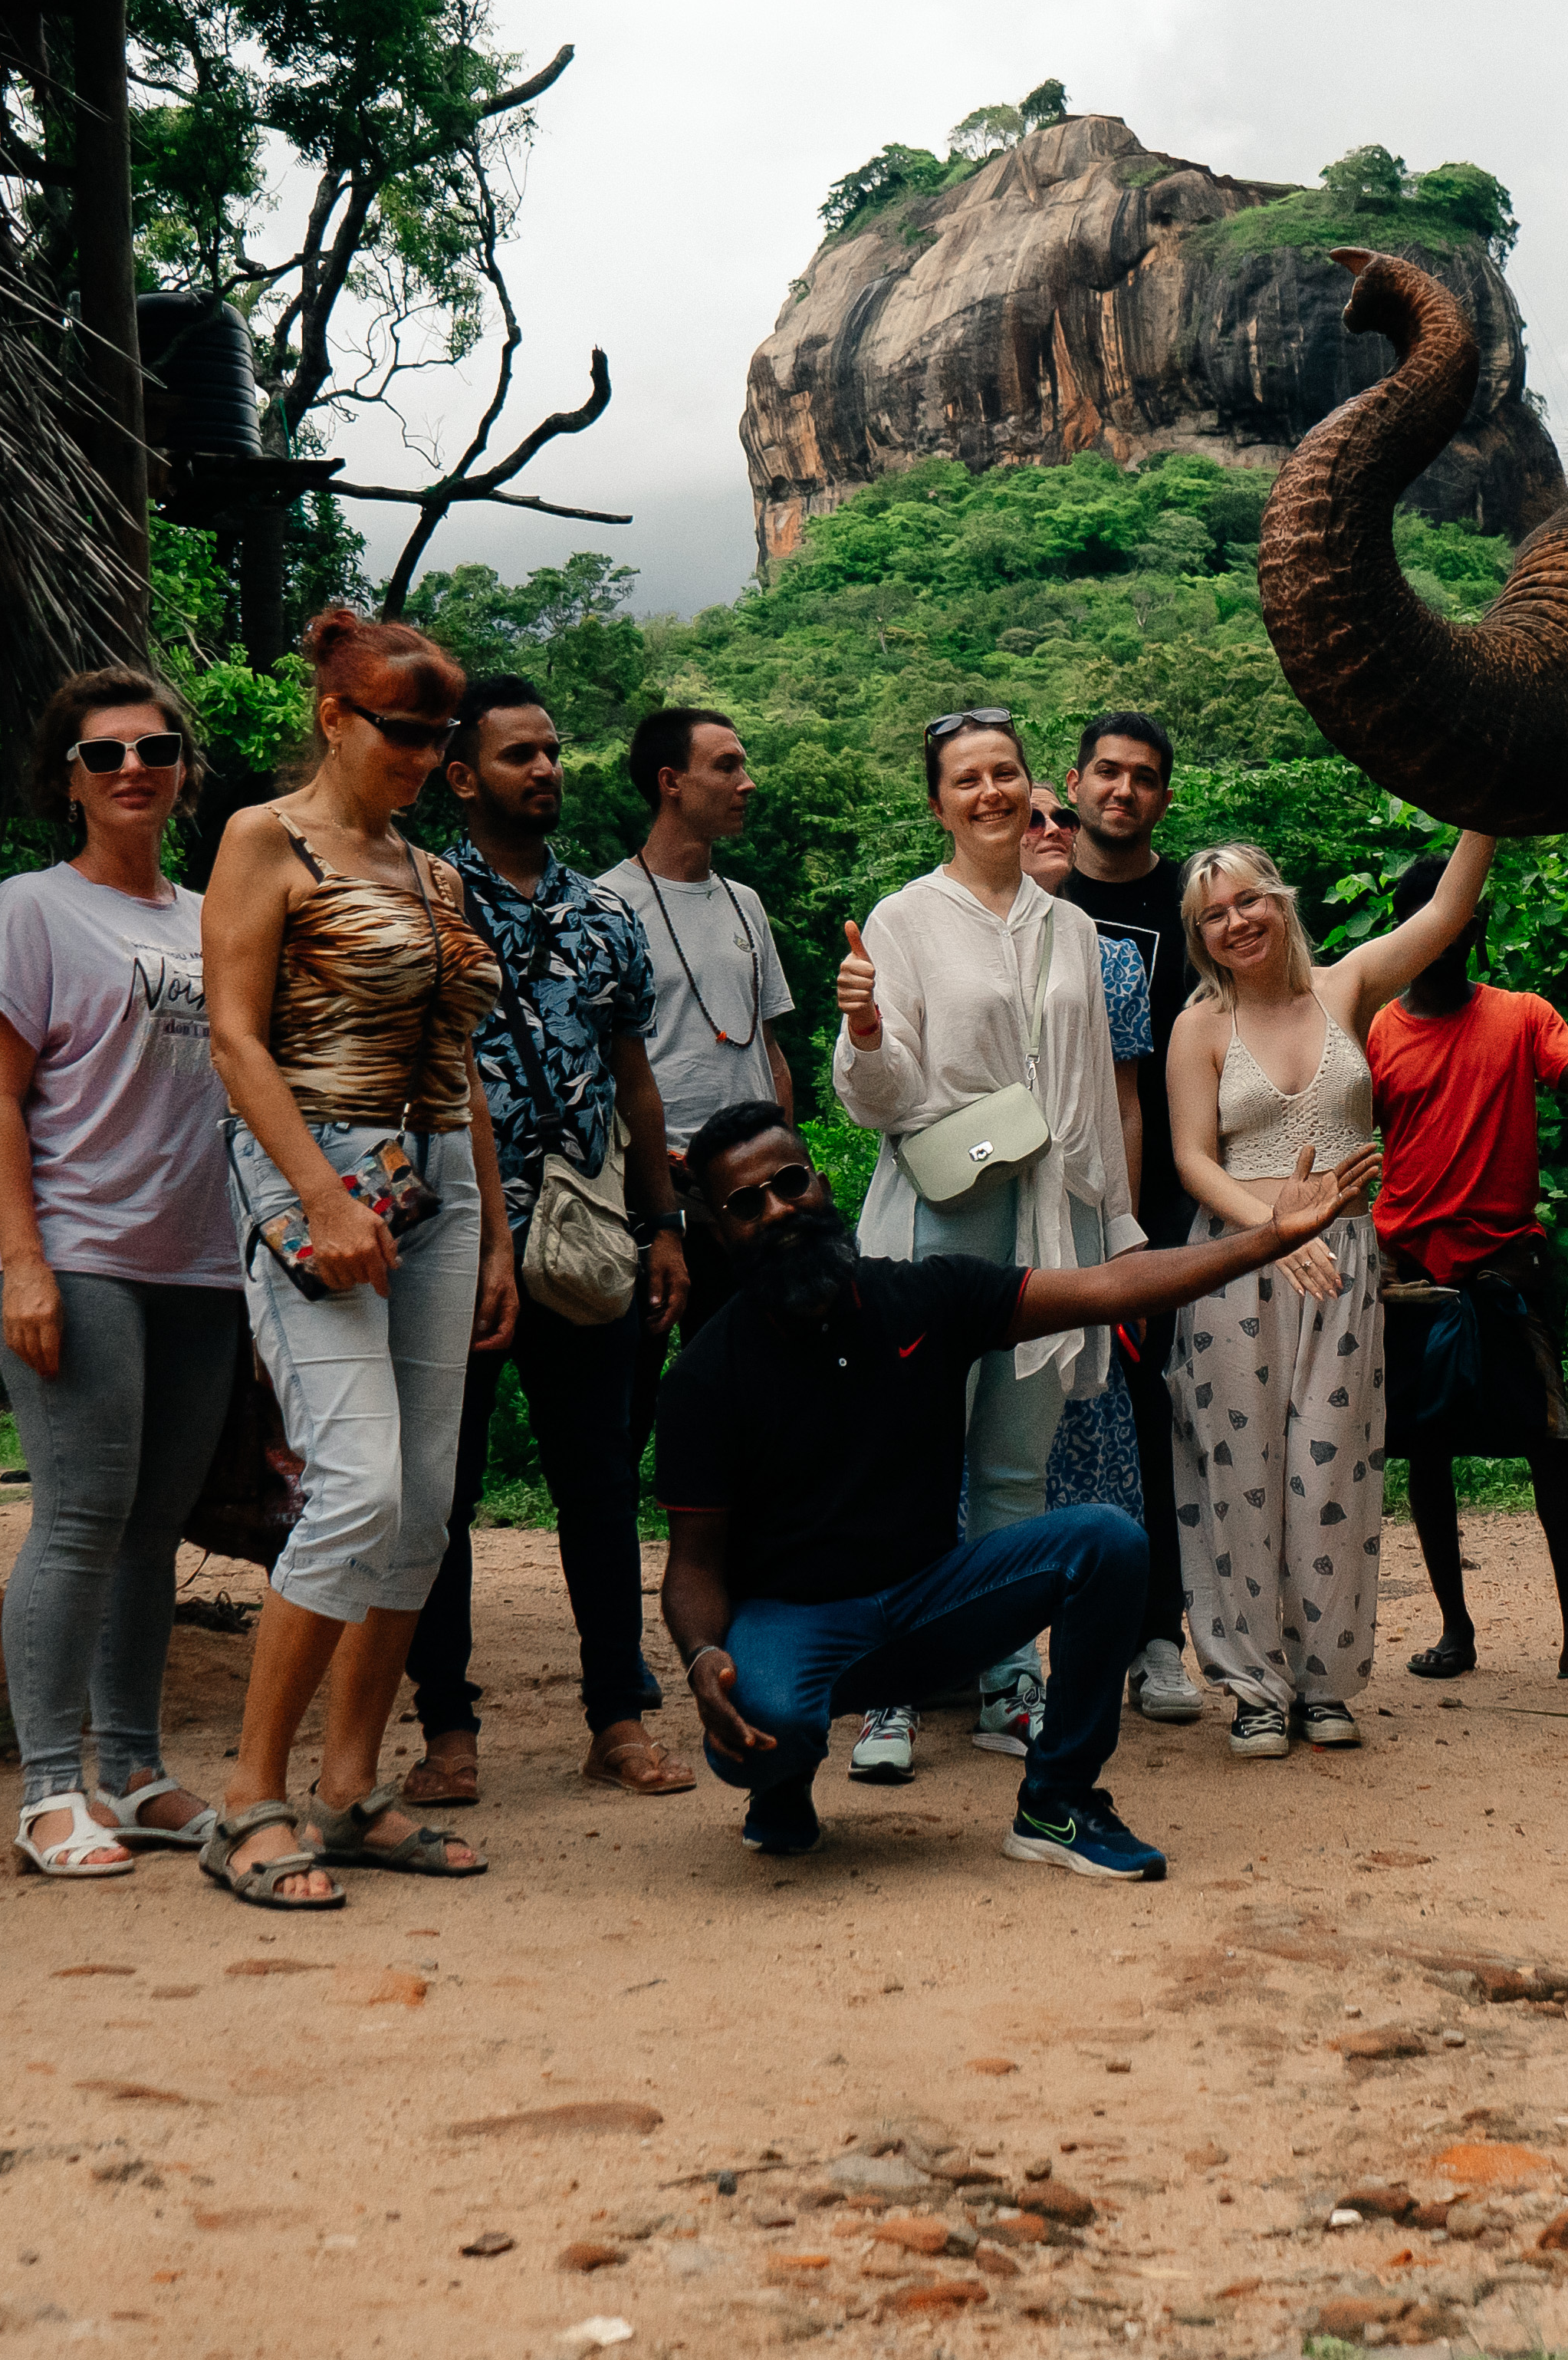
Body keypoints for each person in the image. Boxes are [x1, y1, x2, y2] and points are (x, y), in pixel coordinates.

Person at [657, 1101, 1386, 1878]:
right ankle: (779, 1784)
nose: (777, 1210)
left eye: (789, 1182)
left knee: (1106, 1542)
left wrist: (1269, 1238)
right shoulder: (705, 1376)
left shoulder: (921, 1298)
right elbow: (693, 1566)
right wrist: (702, 1655)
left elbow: (1111, 1286)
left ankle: (1057, 1800)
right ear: (720, 1230)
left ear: (823, 1185)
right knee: (765, 1723)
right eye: (746, 1203)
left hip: (930, 1608)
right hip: (798, 1624)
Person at [197, 606, 512, 1911]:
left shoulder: (435, 875)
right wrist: (322, 1196)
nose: (428, 759)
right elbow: (233, 1038)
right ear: (335, 718)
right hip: (313, 1168)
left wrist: (494, 1232)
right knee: (357, 1484)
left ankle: (349, 1787)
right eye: (405, 733)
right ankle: (247, 1800)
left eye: (443, 738)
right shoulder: (262, 841)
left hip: (438, 1182)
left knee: (424, 1503)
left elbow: (459, 1065)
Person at [829, 709, 1149, 1781]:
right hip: (944, 1215)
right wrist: (865, 1030)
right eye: (966, 779)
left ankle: (1010, 1681)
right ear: (938, 803)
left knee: (1016, 1466)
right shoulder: (905, 919)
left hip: (1053, 1217)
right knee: (914, 1460)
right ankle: (891, 1691)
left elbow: (1093, 1101)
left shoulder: (1074, 928)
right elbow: (883, 1101)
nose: (991, 793)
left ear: (1029, 783)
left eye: (1005, 772)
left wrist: (1117, 1238)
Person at [396, 676, 696, 1810]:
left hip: (585, 1243)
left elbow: (635, 1079)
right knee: (444, 1490)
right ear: (461, 777)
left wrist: (660, 1225)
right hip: (448, 1241)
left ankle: (618, 1719)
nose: (546, 770)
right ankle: (447, 1732)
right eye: (519, 754)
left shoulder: (604, 915)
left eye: (553, 751)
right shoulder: (418, 901)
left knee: (600, 1484)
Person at [0, 666, 245, 1878]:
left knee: (153, 1527)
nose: (133, 768)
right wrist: (23, 1261)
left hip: (202, 1264)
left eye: (155, 749)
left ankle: (132, 1774)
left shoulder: (215, 917)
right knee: (81, 1517)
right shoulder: (32, 909)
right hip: (76, 1252)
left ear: (183, 771)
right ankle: (45, 1792)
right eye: (104, 753)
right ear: (67, 780)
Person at [1167, 831, 1501, 1756]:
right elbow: (1194, 1158)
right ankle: (1253, 1688)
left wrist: (1486, 809)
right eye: (1214, 915)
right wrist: (1274, 1233)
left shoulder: (1345, 986)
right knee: (1239, 1477)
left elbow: (1446, 912)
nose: (1237, 922)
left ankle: (1323, 1682)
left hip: (1344, 1267)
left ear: (1280, 900)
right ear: (1200, 936)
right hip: (1239, 1265)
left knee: (1331, 1472)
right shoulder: (1202, 1026)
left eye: (1249, 900)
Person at [1369, 849, 1568, 1689]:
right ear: (1408, 931)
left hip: (1506, 1269)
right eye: (1431, 921)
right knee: (1426, 1448)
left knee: (1548, 1443)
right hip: (1412, 1272)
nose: (1448, 936)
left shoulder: (1523, 1015)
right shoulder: (1379, 1031)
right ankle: (1455, 1630)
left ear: (1478, 928)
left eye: (1462, 919)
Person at [1045, 712, 1215, 1726]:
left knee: (1155, 1417)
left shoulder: (1192, 901)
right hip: (1037, 1202)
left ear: (1164, 797)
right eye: (1106, 772)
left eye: (1144, 777)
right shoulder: (1040, 890)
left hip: (1163, 1206)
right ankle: (1009, 1651)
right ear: (1074, 783)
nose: (1123, 790)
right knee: (1035, 1420)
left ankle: (1159, 1637)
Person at [1022, 785, 1159, 1549]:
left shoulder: (1113, 961)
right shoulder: (942, 940)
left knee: (1089, 1407)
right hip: (984, 1208)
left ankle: (1105, 1602)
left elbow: (1125, 1108)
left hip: (1079, 1212)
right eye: (1032, 817)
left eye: (1061, 817)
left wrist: (1122, 1234)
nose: (1051, 828)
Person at [601, 704, 798, 1140]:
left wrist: (789, 1149)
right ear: (671, 782)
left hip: (758, 1162)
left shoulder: (745, 903)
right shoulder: (605, 905)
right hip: (667, 1163)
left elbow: (769, 1049)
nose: (747, 783)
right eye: (726, 767)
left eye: (742, 766)